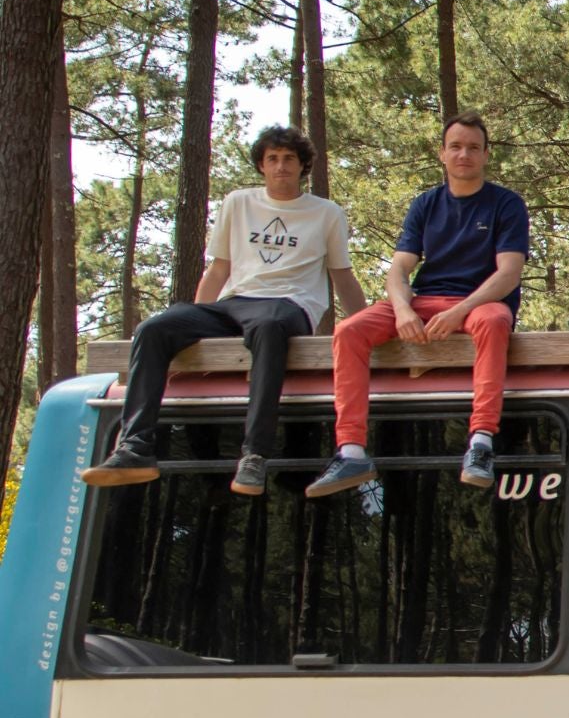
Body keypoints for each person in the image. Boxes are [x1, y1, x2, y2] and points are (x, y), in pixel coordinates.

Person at [81, 126, 365, 495]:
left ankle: (254, 456)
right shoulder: (238, 202)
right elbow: (219, 269)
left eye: (289, 159)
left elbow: (342, 275)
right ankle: (135, 447)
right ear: (261, 166)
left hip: (289, 306)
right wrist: (195, 320)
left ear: (302, 165)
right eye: (272, 159)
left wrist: (362, 327)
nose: (280, 166)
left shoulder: (326, 213)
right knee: (153, 329)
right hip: (234, 303)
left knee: (269, 327)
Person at [306, 112, 529, 497]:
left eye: (473, 148)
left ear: (486, 155)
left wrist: (459, 311)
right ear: (442, 154)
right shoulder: (425, 204)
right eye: (456, 147)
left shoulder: (506, 204)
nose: (464, 155)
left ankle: (480, 443)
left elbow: (508, 274)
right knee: (348, 331)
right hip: (424, 301)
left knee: (494, 322)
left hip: (478, 304)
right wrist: (404, 310)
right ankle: (352, 450)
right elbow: (399, 271)